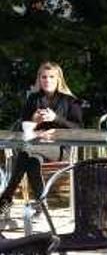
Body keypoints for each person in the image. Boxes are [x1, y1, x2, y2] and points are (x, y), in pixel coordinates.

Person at [0, 62, 83, 215]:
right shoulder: (33, 99)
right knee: (31, 160)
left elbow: (78, 128)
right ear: (39, 79)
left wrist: (56, 118)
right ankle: (41, 206)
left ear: (59, 79)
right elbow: (22, 126)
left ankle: (6, 197)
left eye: (51, 77)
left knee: (26, 151)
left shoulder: (70, 101)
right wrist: (33, 120)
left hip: (60, 148)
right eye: (44, 77)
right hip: (35, 146)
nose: (47, 80)